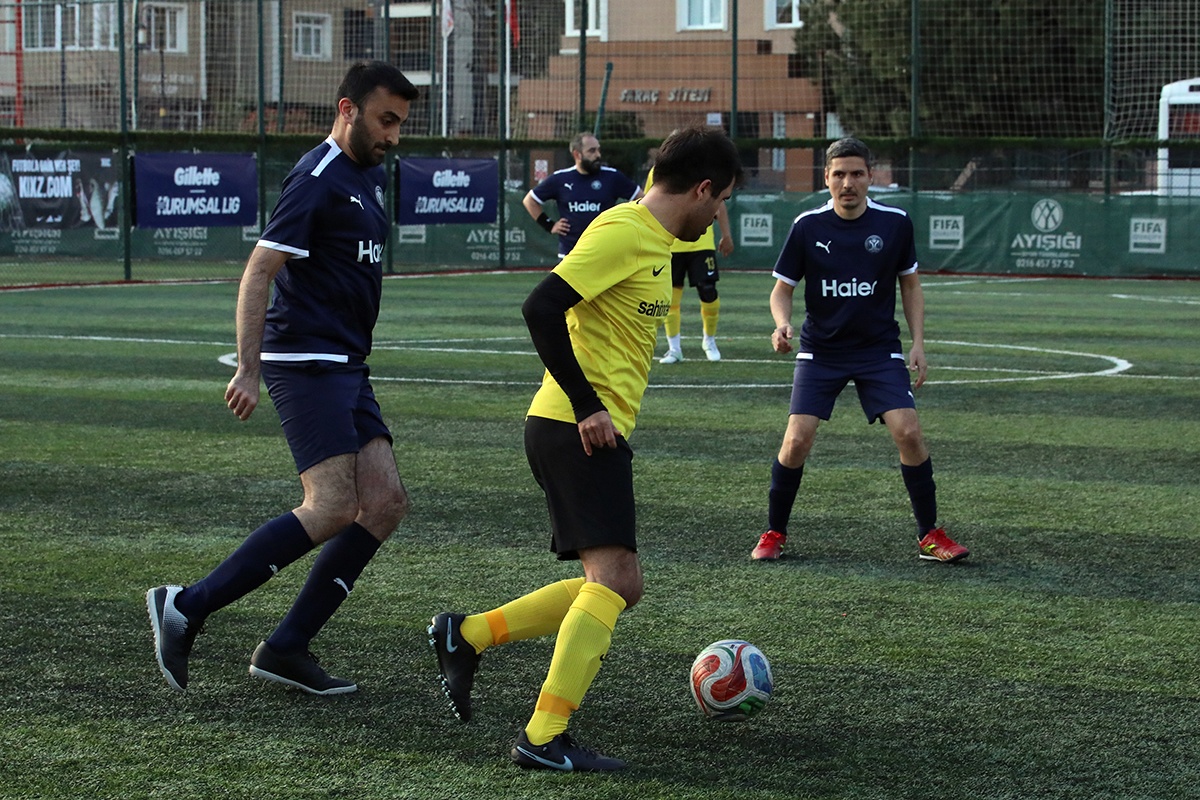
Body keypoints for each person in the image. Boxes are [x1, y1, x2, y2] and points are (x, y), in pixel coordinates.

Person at [430, 126, 742, 772]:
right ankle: (542, 737)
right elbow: (540, 307)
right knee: (613, 581)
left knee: (620, 582)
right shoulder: (624, 231)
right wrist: (587, 404)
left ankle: (470, 634)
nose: (718, 216)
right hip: (575, 427)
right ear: (703, 189)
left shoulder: (654, 237)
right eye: (721, 201)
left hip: (586, 429)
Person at [146, 61, 420, 695]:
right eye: (385, 120)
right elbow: (259, 270)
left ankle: (286, 648)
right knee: (331, 506)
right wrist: (249, 367)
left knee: (384, 502)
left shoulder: (366, 178)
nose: (393, 135)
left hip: (346, 363)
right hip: (306, 361)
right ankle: (185, 605)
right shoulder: (317, 177)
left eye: (400, 124)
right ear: (347, 109)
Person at [750, 137, 969, 564]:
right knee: (796, 440)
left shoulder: (895, 223)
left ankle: (929, 535)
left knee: (909, 432)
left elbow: (910, 285)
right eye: (839, 174)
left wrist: (918, 343)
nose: (847, 183)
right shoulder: (807, 226)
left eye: (856, 174)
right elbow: (782, 290)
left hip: (878, 349)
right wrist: (781, 323)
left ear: (870, 177)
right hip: (821, 351)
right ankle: (774, 531)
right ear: (826, 178)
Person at [645, 166, 734, 363]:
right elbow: (649, 204)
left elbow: (718, 202)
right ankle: (674, 349)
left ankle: (709, 340)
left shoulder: (706, 168)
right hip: (671, 244)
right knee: (669, 298)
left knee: (708, 291)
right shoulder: (659, 170)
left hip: (701, 244)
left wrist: (726, 234)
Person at [522, 132, 642, 259]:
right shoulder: (561, 178)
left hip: (605, 253)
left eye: (598, 150)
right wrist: (550, 225)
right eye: (592, 151)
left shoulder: (612, 177)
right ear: (577, 154)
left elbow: (642, 199)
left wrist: (627, 224)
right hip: (570, 254)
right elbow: (530, 200)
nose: (598, 155)